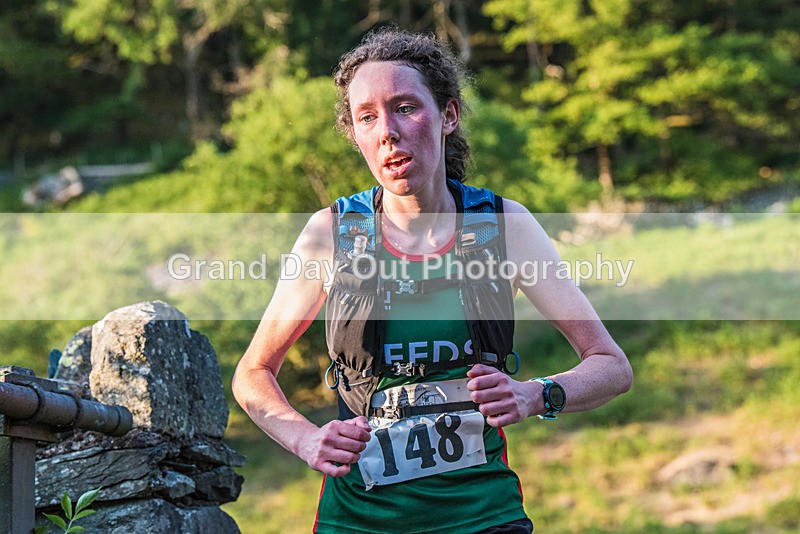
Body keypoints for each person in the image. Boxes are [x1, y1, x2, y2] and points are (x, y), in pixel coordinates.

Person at [232, 29, 632, 534]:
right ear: (355, 134)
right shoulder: (332, 235)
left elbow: (611, 366)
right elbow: (252, 374)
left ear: (448, 115)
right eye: (367, 117)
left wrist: (535, 394)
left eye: (404, 107)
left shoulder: (502, 227)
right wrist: (305, 438)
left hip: (484, 516)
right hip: (359, 520)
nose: (387, 132)